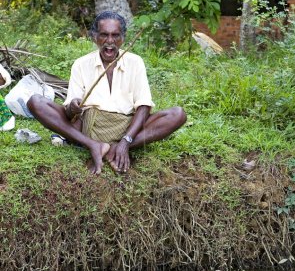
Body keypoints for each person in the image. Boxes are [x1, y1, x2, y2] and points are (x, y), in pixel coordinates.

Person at [27, 11, 186, 175]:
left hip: (126, 128)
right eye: (104, 35)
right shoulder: (81, 64)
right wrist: (72, 108)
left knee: (177, 114)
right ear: (95, 37)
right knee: (36, 102)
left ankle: (117, 147)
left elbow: (144, 107)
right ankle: (93, 145)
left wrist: (126, 141)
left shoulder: (135, 62)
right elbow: (69, 113)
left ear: (123, 38)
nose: (110, 41)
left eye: (115, 35)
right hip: (88, 127)